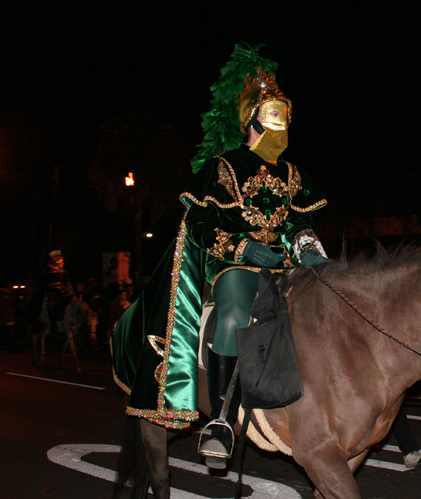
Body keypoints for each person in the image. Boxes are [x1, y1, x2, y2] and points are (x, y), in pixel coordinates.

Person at [112, 43, 328, 468]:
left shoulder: (292, 173)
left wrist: (308, 246)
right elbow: (199, 224)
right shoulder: (223, 166)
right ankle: (223, 422)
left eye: (285, 113)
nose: (282, 121)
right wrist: (243, 246)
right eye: (273, 113)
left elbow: (299, 222)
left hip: (285, 266)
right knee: (232, 314)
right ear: (253, 119)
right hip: (235, 265)